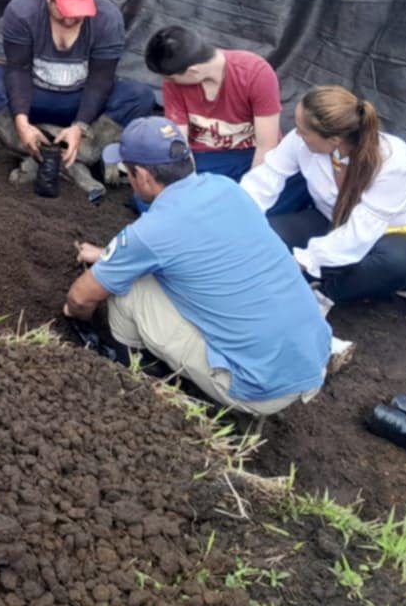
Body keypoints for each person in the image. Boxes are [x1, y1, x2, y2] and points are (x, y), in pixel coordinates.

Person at [64, 117, 331, 415]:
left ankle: (130, 372)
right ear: (188, 158)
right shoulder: (226, 190)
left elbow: (80, 297)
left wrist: (76, 317)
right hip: (312, 360)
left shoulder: (152, 230)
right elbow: (199, 252)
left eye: (129, 170)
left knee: (127, 288)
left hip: (257, 388)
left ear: (143, 175)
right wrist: (108, 256)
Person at [240, 85, 406, 307]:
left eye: (304, 131)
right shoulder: (300, 140)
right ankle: (315, 275)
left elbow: (362, 232)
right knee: (266, 235)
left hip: (391, 238)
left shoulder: (395, 162)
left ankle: (320, 296)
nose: (297, 134)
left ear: (335, 140)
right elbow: (268, 176)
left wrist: (304, 260)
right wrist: (237, 217)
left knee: (392, 262)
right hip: (331, 222)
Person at [0, 0, 156, 169]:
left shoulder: (107, 19)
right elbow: (18, 69)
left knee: (139, 96)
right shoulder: (23, 10)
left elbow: (101, 79)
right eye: (64, 11)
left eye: (78, 12)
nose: (70, 19)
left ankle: (84, 150)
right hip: (33, 95)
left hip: (80, 100)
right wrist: (21, 121)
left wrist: (80, 126)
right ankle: (30, 144)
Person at [138, 25, 303, 214]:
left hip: (249, 156)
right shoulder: (174, 84)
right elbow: (181, 144)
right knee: (150, 194)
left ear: (193, 71)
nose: (167, 83)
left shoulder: (255, 73)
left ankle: (210, 215)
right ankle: (215, 214)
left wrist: (249, 197)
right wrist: (185, 188)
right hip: (206, 158)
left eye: (170, 78)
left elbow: (267, 145)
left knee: (297, 183)